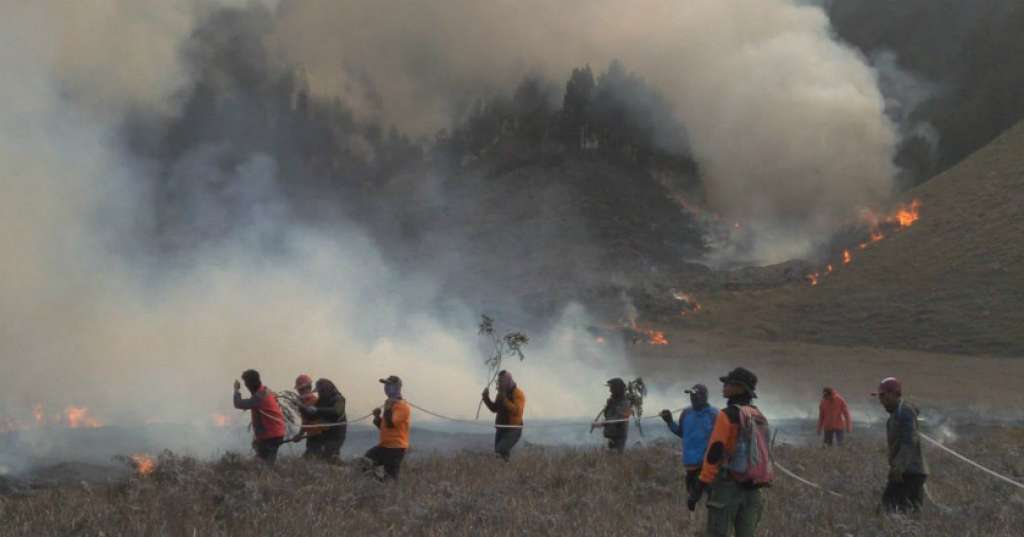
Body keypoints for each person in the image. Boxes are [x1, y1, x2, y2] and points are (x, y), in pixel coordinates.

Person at [688, 367, 770, 537]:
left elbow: (715, 452)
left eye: (728, 383)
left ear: (739, 388)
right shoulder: (758, 414)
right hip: (753, 488)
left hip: (728, 487)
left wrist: (700, 486)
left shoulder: (726, 415)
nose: (724, 386)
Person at [873, 377, 929, 514]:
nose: (881, 400)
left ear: (894, 394)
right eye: (879, 396)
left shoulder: (905, 412)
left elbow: (909, 441)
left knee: (888, 510)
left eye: (883, 395)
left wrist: (899, 466)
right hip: (909, 471)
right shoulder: (895, 414)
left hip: (909, 472)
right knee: (912, 513)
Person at [661, 383, 718, 496]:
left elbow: (721, 440)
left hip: (709, 466)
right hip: (691, 465)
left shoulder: (714, 414)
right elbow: (682, 433)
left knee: (712, 500)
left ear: (704, 396)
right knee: (693, 500)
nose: (693, 398)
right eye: (691, 395)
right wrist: (669, 422)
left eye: (696, 395)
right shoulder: (686, 413)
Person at [233, 369, 286, 464]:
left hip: (271, 435)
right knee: (262, 461)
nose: (246, 386)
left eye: (246, 383)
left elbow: (238, 404)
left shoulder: (259, 397)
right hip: (274, 433)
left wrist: (236, 390)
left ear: (250, 384)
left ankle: (267, 478)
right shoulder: (264, 390)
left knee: (264, 464)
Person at [364, 375, 411, 480]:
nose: (386, 387)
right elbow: (385, 427)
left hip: (396, 448)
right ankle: (377, 485)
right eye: (386, 385)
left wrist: (388, 408)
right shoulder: (391, 404)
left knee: (390, 479)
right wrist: (377, 417)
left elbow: (391, 424)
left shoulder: (402, 406)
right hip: (385, 446)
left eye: (389, 385)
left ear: (397, 387)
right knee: (364, 463)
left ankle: (386, 490)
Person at [481, 370, 526, 461]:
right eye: (499, 381)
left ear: (508, 381)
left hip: (513, 430)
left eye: (502, 381)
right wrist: (486, 398)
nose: (500, 384)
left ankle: (507, 472)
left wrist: (504, 401)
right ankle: (505, 473)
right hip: (501, 428)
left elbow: (517, 411)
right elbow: (494, 408)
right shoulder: (501, 394)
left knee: (499, 451)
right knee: (501, 455)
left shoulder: (518, 394)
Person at [299, 378, 348, 461]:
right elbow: (313, 417)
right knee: (311, 455)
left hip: (336, 434)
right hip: (324, 432)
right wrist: (303, 409)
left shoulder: (339, 399)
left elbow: (337, 412)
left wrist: (318, 410)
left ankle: (343, 470)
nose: (319, 393)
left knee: (329, 456)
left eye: (321, 391)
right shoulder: (322, 400)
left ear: (326, 389)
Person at [595, 378, 632, 453]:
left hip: (619, 436)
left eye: (611, 388)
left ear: (617, 389)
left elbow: (619, 418)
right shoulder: (612, 401)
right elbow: (608, 415)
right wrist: (609, 405)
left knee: (616, 458)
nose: (610, 390)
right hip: (611, 434)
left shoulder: (625, 403)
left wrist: (602, 424)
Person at [291, 374, 324, 457]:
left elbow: (307, 421)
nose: (300, 392)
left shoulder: (314, 401)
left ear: (308, 388)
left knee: (311, 460)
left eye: (301, 389)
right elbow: (305, 422)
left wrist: (299, 435)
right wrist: (299, 435)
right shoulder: (304, 402)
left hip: (318, 437)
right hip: (312, 436)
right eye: (299, 389)